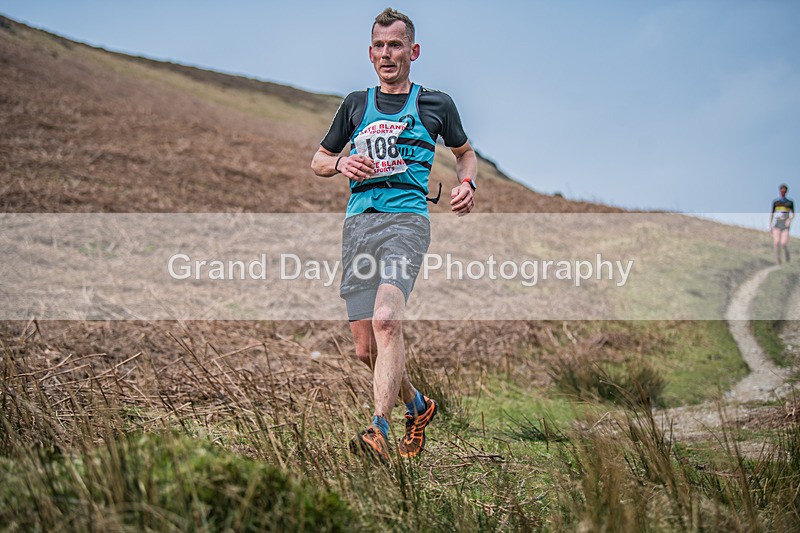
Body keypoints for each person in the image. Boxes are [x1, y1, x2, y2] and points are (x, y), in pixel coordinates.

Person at [310, 8, 477, 464]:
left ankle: (378, 428)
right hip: (358, 226)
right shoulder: (355, 105)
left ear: (413, 51)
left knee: (387, 320)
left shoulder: (435, 105)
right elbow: (319, 160)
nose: (388, 54)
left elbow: (465, 154)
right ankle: (418, 406)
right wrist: (342, 163)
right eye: (380, 47)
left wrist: (467, 185)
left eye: (396, 45)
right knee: (367, 348)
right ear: (370, 53)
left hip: (406, 223)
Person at [770, 184, 794, 265]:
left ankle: (787, 255)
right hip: (777, 225)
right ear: (780, 191)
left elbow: (793, 214)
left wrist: (789, 220)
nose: (783, 192)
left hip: (785, 226)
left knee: (783, 243)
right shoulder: (776, 202)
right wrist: (770, 225)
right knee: (776, 243)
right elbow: (772, 214)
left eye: (784, 191)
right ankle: (778, 260)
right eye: (781, 190)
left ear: (786, 191)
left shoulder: (790, 203)